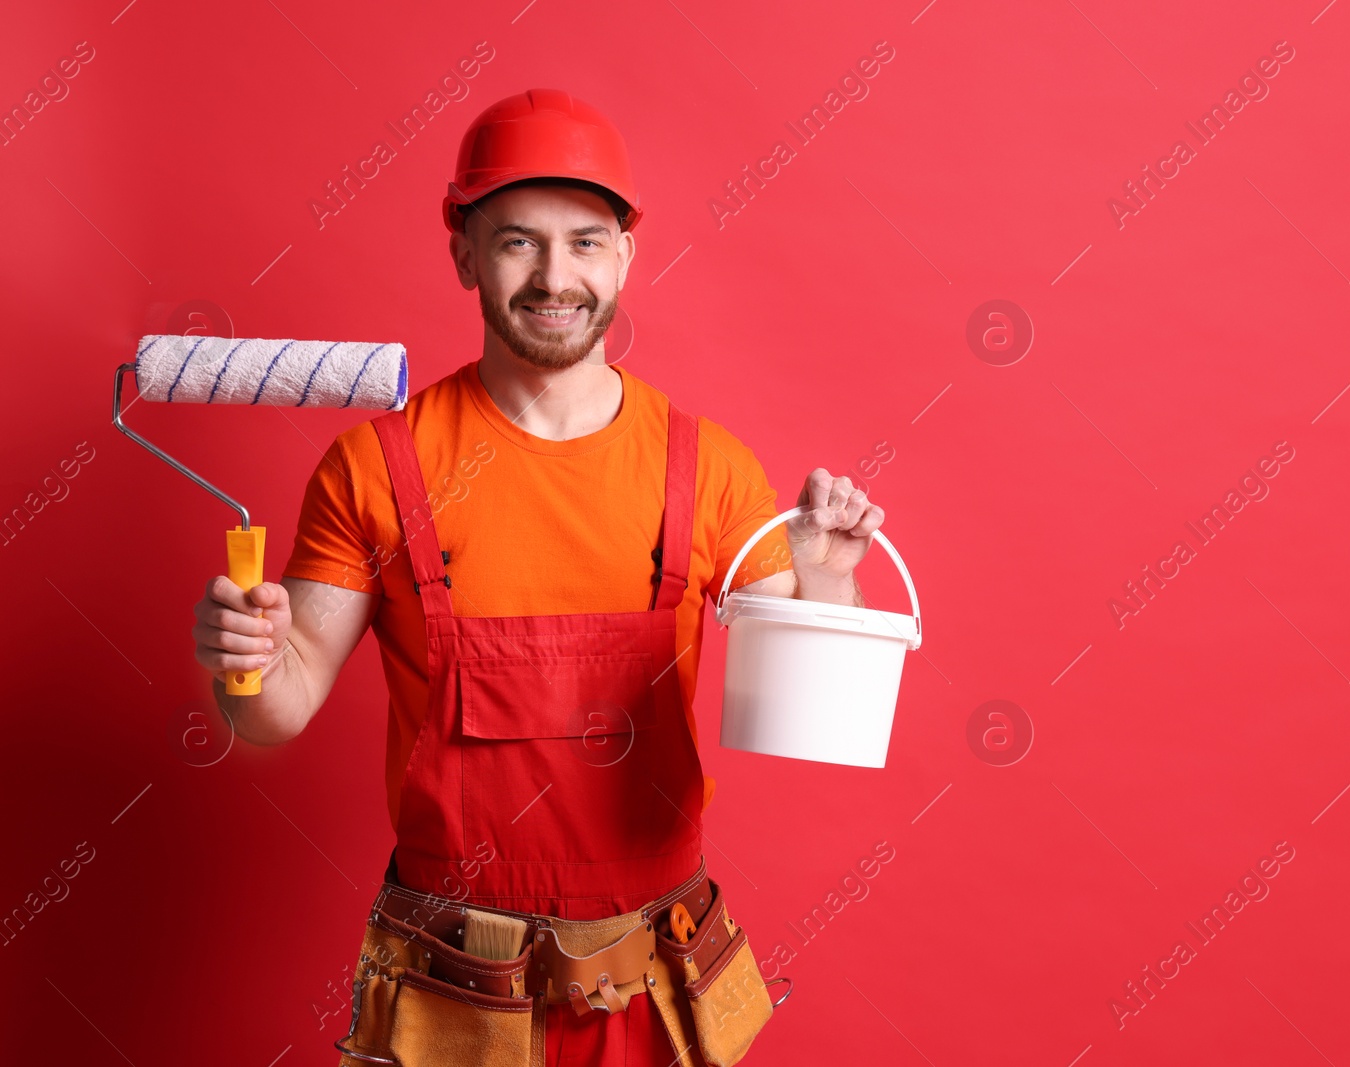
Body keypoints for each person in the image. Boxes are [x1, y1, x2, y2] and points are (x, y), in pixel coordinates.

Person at [187, 89, 883, 1064]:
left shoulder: (708, 468)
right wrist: (244, 661)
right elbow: (277, 705)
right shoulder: (376, 467)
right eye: (517, 241)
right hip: (449, 990)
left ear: (626, 254)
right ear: (463, 249)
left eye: (585, 242)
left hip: (648, 978)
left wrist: (826, 583)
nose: (555, 275)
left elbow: (810, 714)